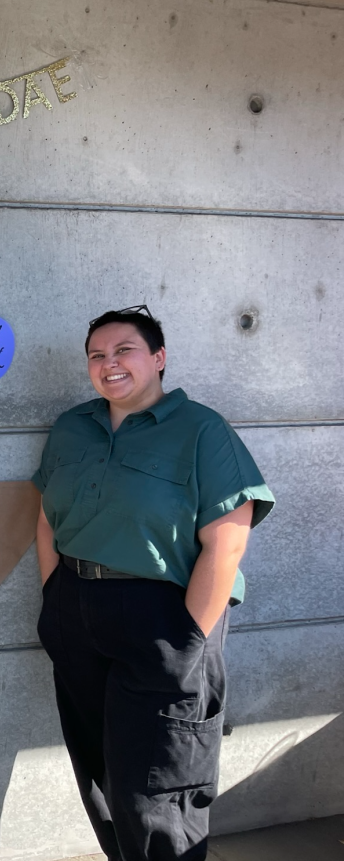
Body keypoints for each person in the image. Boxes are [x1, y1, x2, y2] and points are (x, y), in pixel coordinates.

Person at [33, 306, 274, 861]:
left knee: (160, 783)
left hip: (165, 616)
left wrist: (190, 638)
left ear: (158, 357)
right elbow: (46, 518)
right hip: (76, 606)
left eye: (125, 350)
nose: (109, 363)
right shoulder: (72, 427)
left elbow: (227, 541)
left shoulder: (202, 430)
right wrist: (54, 598)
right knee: (100, 772)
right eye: (97, 355)